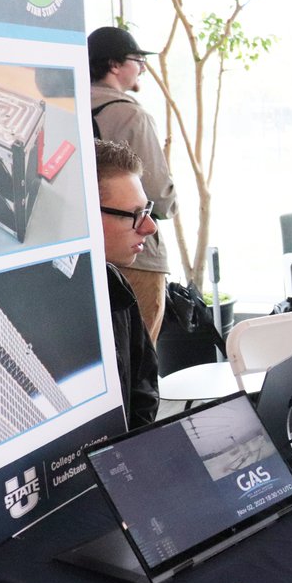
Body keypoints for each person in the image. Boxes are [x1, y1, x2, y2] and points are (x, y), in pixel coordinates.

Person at [88, 26, 177, 343]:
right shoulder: (130, 114)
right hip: (139, 257)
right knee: (139, 364)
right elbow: (160, 198)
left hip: (93, 251)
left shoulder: (70, 106)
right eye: (138, 59)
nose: (142, 67)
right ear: (114, 64)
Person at [95, 139, 160, 430]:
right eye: (135, 215)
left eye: (147, 211)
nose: (149, 227)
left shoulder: (112, 284)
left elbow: (143, 389)